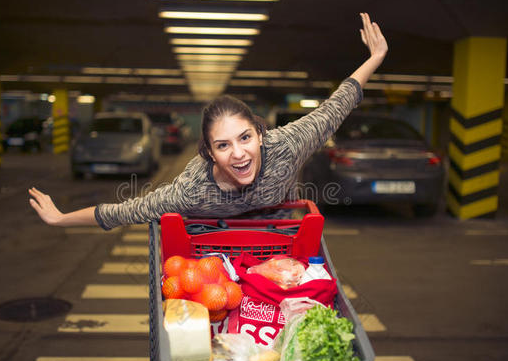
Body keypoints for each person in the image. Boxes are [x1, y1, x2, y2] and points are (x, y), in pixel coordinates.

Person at [29, 12, 388, 230]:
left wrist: (376, 56)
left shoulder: (287, 146)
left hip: (276, 237)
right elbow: (124, 211)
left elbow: (335, 106)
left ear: (261, 134)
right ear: (209, 153)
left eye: (245, 137)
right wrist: (61, 218)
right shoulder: (191, 190)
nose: (239, 153)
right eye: (223, 145)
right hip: (218, 246)